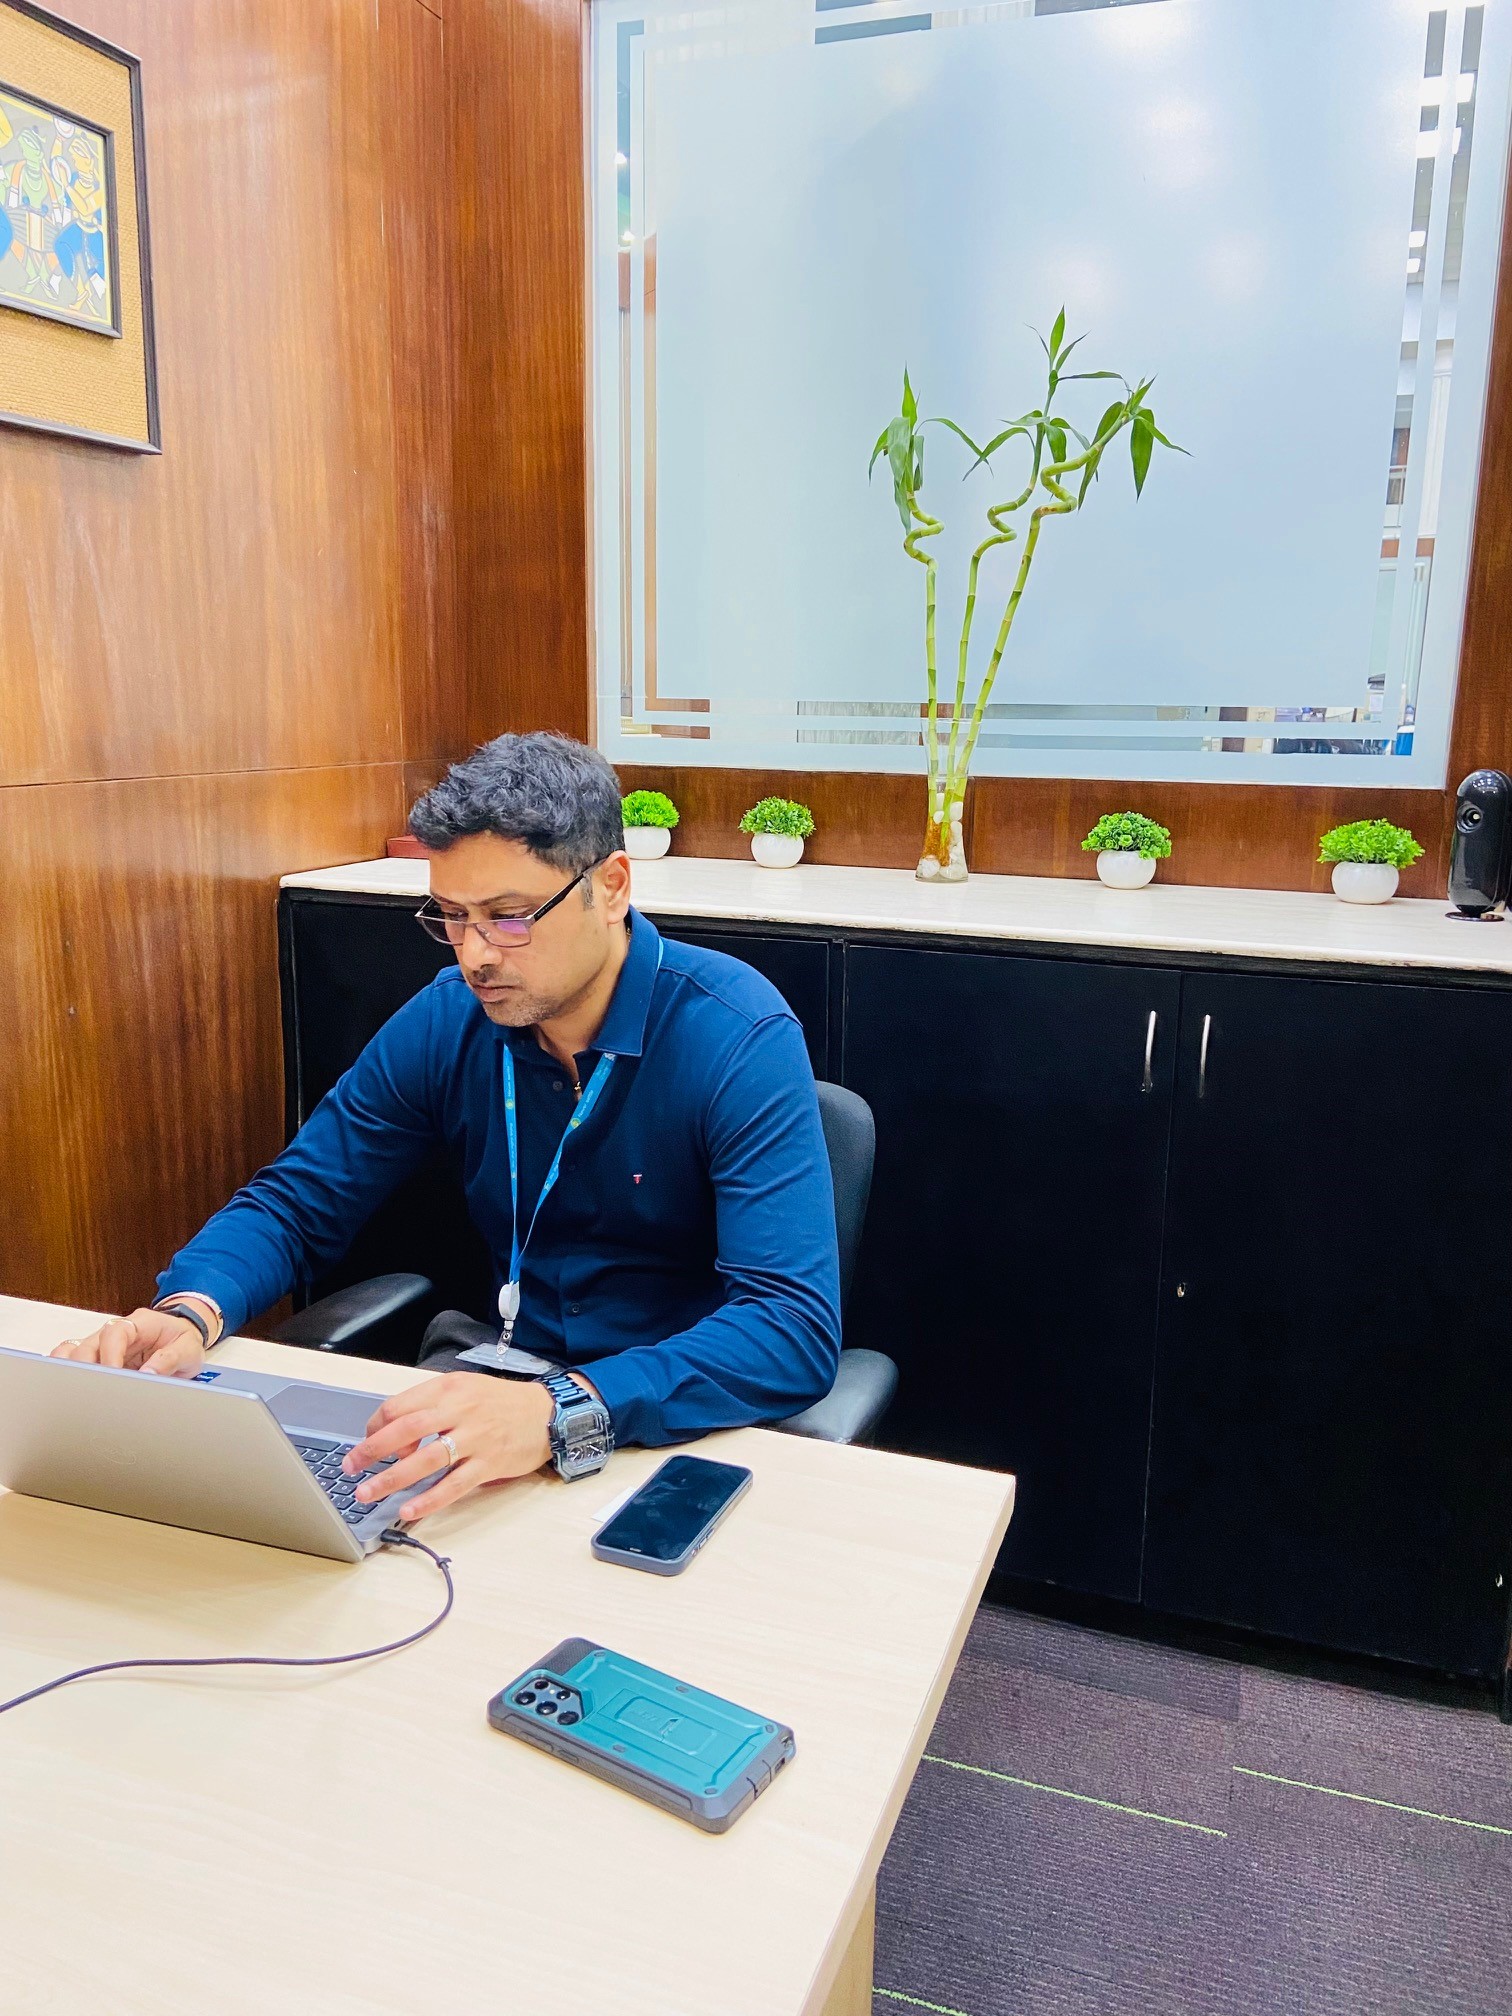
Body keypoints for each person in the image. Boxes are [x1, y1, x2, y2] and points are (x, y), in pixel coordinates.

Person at [55, 733, 841, 1518]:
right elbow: (297, 1201)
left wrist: (559, 1409)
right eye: (452, 917)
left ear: (611, 886)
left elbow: (788, 1328)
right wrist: (191, 1309)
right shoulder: (449, 1018)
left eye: (507, 917)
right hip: (493, 1408)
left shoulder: (735, 1034)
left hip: (675, 1430)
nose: (474, 956)